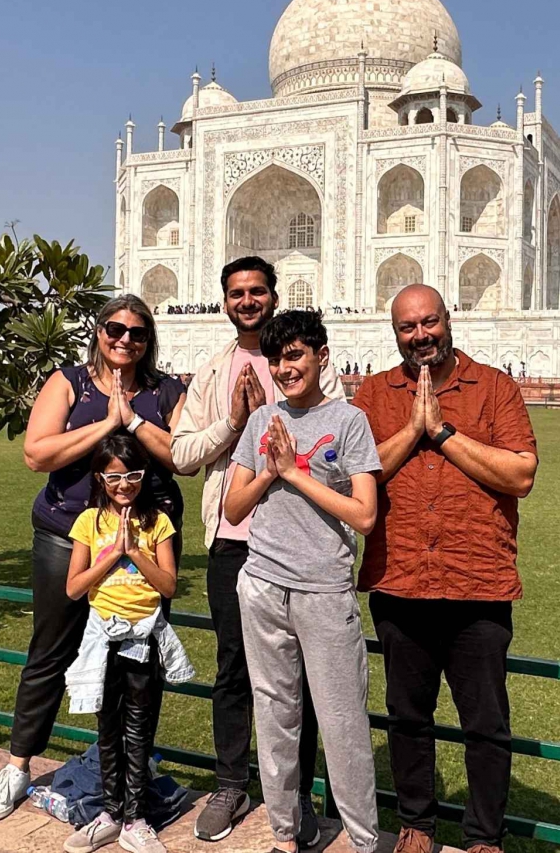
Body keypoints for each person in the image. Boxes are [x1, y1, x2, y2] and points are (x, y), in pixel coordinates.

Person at [0, 294, 188, 823]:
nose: (125, 340)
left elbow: (182, 459)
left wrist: (135, 423)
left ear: (148, 340)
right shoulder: (68, 382)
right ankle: (18, 766)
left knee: (139, 664)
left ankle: (131, 786)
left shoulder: (166, 392)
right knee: (51, 652)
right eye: (115, 329)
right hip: (69, 536)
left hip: (146, 537)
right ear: (99, 332)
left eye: (137, 333)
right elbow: (36, 453)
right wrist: (108, 422)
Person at [353, 285, 539, 853]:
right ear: (395, 332)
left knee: (485, 724)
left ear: (447, 319)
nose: (420, 336)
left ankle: (484, 836)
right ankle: (417, 825)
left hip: (475, 582)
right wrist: (412, 430)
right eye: (407, 327)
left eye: (428, 322)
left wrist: (444, 434)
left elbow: (520, 475)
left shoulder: (493, 388)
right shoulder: (375, 394)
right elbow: (357, 475)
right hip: (401, 579)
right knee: (408, 717)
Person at [170, 257, 338, 843]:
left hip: (300, 543)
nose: (248, 300)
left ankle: (297, 796)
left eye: (257, 291)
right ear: (225, 302)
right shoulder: (214, 371)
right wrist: (233, 421)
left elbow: (336, 439)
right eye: (237, 293)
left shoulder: (307, 365)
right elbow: (182, 455)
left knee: (305, 675)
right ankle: (231, 785)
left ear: (274, 296)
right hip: (233, 540)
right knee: (234, 670)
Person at [223, 310, 382, 853]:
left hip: (323, 588)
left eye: (294, 355)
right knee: (275, 718)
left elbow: (364, 515)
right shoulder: (262, 420)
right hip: (264, 583)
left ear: (321, 356)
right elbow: (234, 506)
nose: (285, 368)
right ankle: (284, 836)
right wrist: (269, 470)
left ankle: (362, 841)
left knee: (342, 723)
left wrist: (293, 473)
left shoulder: (349, 421)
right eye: (276, 359)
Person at [61, 431, 193, 853]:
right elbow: (74, 588)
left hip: (143, 638)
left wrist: (135, 552)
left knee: (138, 729)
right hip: (103, 638)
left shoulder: (158, 522)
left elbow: (168, 585)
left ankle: (135, 818)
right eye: (113, 477)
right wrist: (111, 553)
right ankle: (110, 811)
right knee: (107, 728)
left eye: (132, 475)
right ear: (99, 478)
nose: (123, 485)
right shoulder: (88, 522)